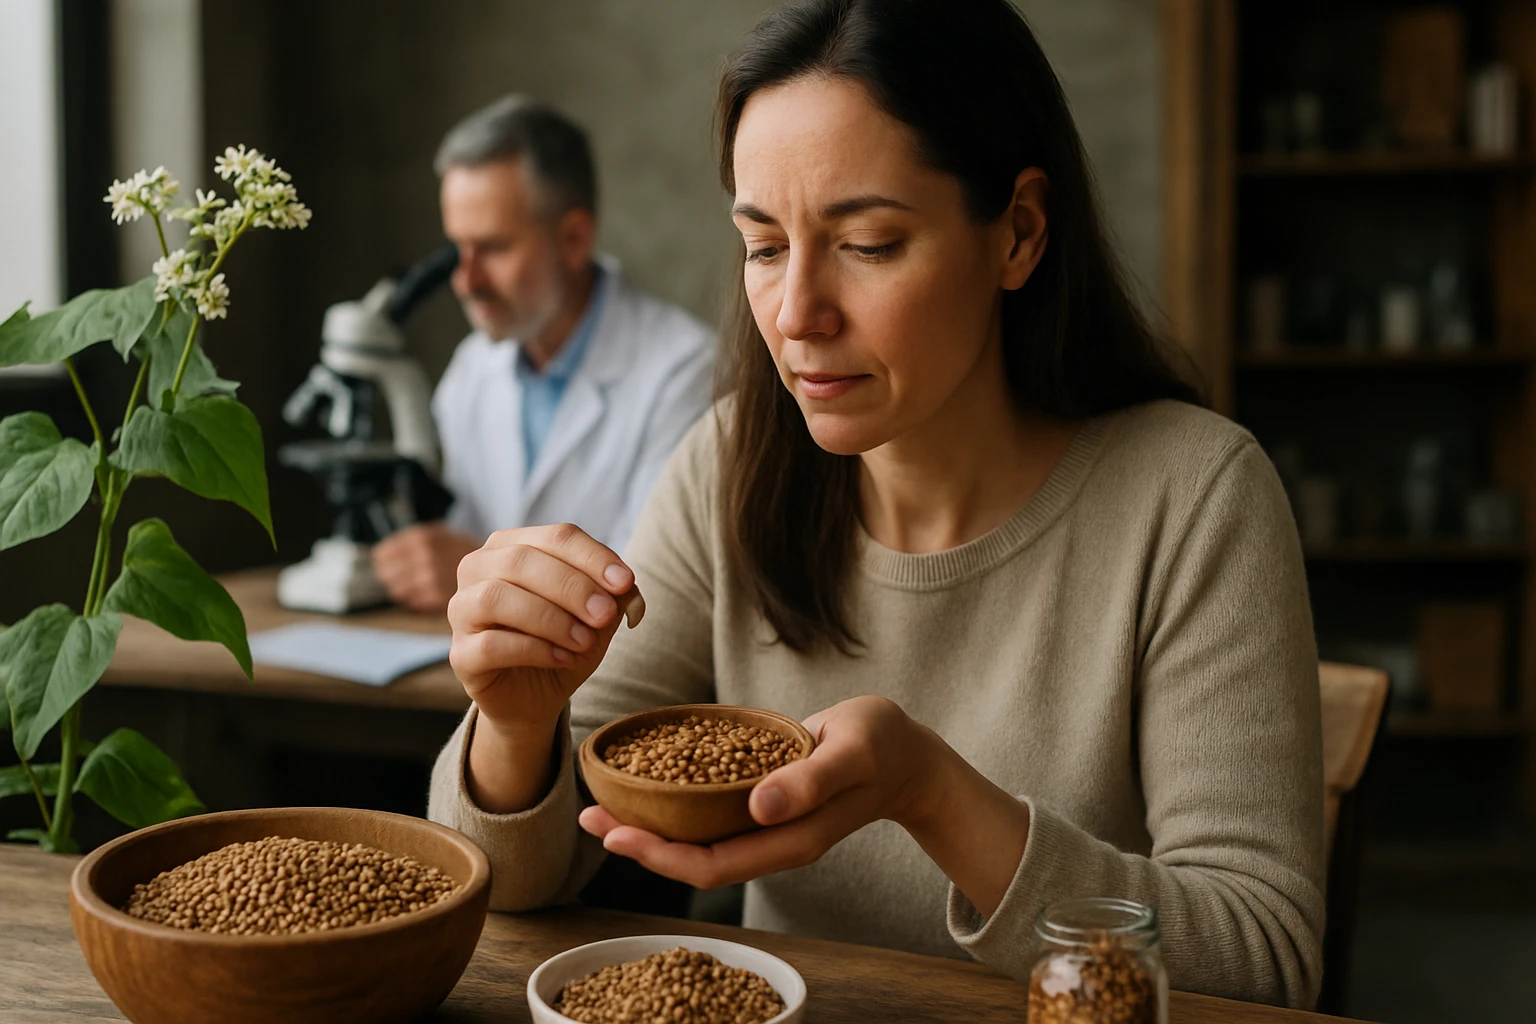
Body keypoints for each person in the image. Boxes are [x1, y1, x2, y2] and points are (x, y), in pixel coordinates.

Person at [429, 0, 1325, 1010]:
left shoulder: (1194, 497)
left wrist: (934, 796)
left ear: (1019, 233)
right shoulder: (730, 464)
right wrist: (513, 727)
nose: (797, 314)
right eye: (764, 246)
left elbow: (1264, 961)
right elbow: (508, 876)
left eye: (868, 244)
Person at [371, 96, 716, 613]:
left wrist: (477, 572)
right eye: (456, 249)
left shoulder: (685, 372)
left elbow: (657, 597)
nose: (465, 281)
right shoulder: (471, 371)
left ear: (575, 238)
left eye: (492, 248)